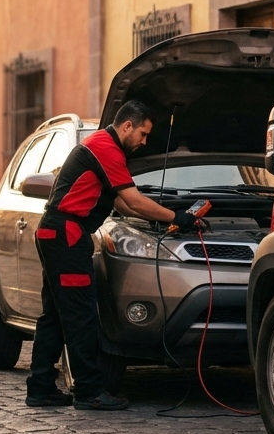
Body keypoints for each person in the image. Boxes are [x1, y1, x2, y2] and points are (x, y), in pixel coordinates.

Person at [25, 99, 206, 410]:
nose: (144, 141)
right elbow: (133, 200)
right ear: (127, 126)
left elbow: (121, 203)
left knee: (55, 315)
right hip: (67, 235)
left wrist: (157, 216)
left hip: (56, 233)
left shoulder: (102, 147)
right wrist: (177, 217)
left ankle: (40, 388)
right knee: (81, 317)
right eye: (143, 134)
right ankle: (89, 392)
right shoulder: (106, 148)